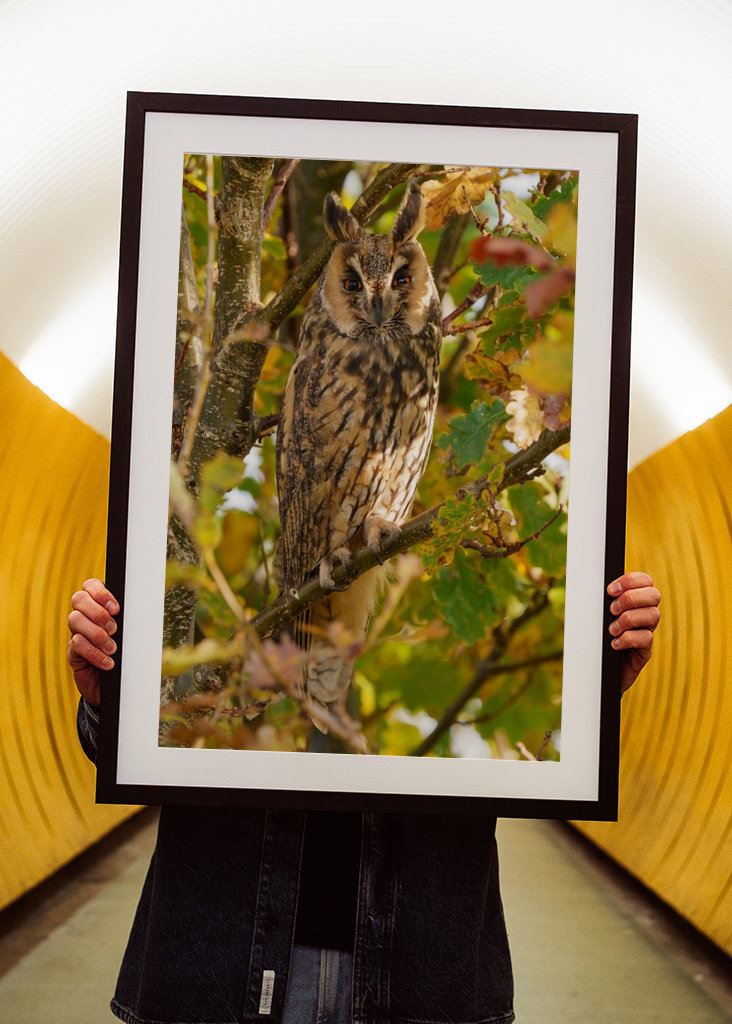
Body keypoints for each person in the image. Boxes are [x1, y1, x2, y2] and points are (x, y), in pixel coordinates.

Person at [68, 572, 661, 1024]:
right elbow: (145, 745)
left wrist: (590, 694)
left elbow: (527, 748)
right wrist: (111, 701)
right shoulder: (233, 594)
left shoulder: (447, 613)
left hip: (421, 964)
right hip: (221, 954)